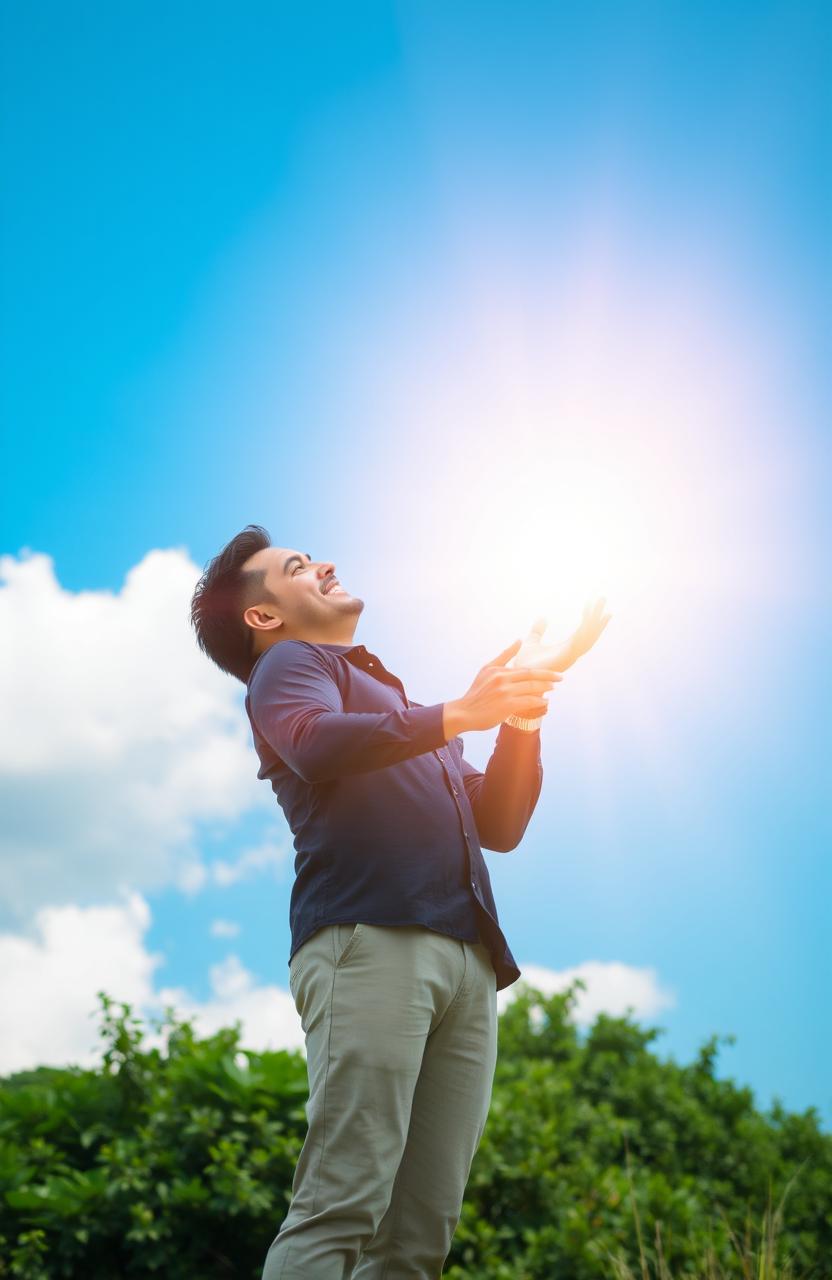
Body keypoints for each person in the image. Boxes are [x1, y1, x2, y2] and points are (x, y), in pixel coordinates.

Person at [190, 524, 610, 1280]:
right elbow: (315, 743)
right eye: (296, 566)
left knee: (418, 1238)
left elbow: (499, 825)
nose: (323, 563)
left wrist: (520, 710)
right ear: (262, 616)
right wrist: (458, 713)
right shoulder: (291, 664)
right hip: (370, 941)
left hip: (467, 964)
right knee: (341, 1204)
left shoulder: (403, 709)